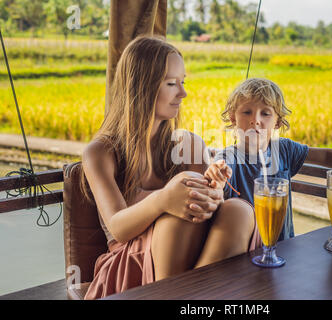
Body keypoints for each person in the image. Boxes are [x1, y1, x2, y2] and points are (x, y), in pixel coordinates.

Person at [80, 37, 258, 300]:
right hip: (131, 265)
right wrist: (164, 199)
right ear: (141, 87)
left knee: (238, 211)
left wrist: (215, 190)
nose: (183, 93)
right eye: (172, 83)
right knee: (179, 217)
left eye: (182, 82)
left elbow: (213, 208)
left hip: (193, 263)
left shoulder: (189, 144)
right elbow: (118, 227)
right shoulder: (100, 152)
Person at [205, 78, 332, 241]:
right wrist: (216, 173)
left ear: (277, 122)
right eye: (246, 112)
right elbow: (220, 169)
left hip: (284, 246)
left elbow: (326, 155)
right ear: (232, 118)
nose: (255, 120)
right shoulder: (228, 157)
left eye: (265, 113)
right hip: (245, 251)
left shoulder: (283, 149)